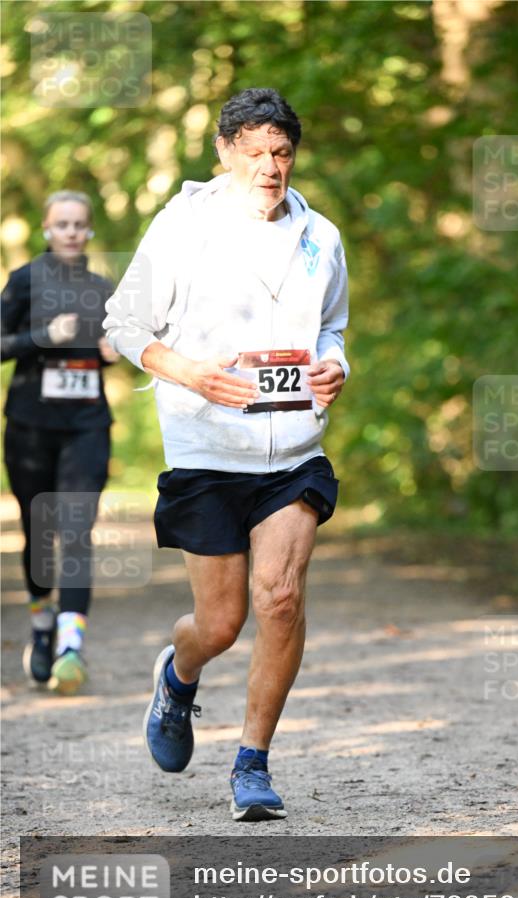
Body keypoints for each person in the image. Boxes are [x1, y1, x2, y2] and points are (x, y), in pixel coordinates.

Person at [103, 87, 349, 820]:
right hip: (207, 450)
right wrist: (188, 371)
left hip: (293, 448)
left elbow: (331, 328)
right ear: (224, 154)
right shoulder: (182, 228)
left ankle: (252, 763)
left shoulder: (321, 237)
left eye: (281, 154)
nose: (270, 168)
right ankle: (177, 679)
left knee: (280, 599)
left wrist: (338, 366)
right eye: (254, 155)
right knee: (220, 624)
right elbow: (124, 323)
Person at [1, 191, 119, 694]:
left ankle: (71, 647)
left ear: (89, 231)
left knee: (74, 532)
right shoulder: (25, 282)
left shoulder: (103, 288)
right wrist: (42, 336)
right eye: (61, 224)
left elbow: (125, 345)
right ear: (47, 230)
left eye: (79, 224)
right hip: (29, 427)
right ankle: (42, 622)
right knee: (38, 536)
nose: (71, 232)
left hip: (87, 426)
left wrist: (116, 352)